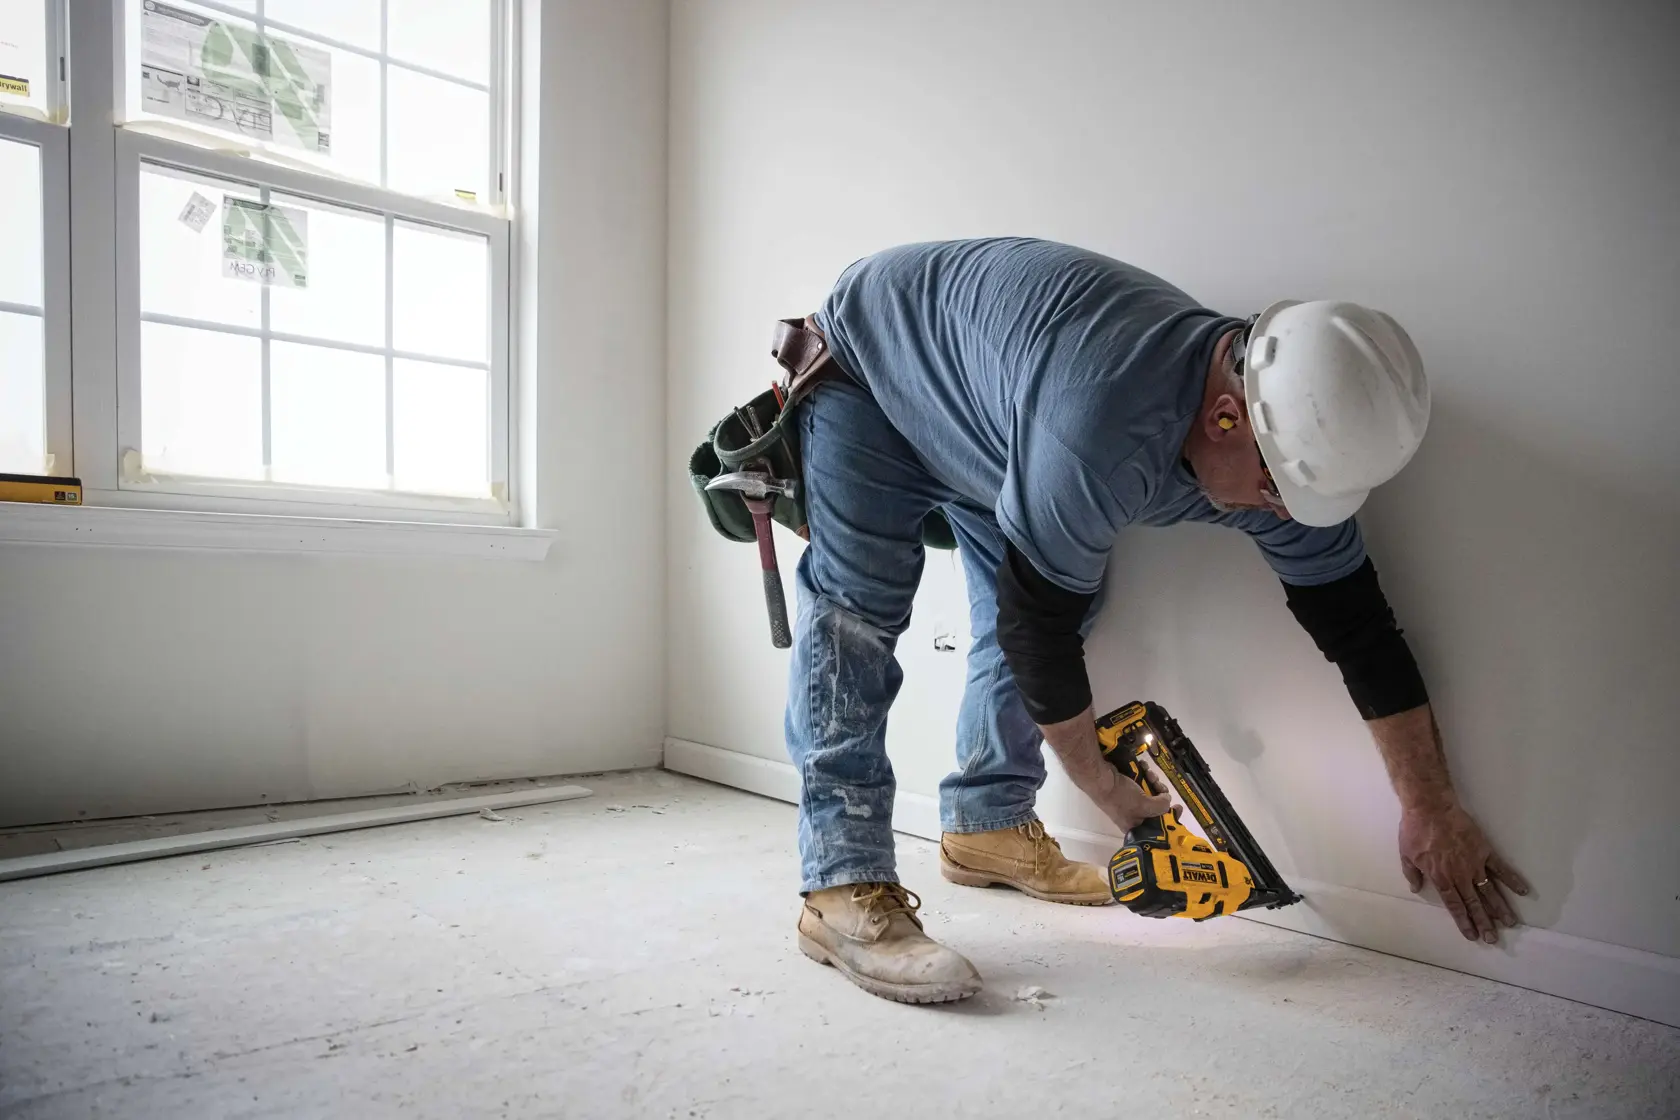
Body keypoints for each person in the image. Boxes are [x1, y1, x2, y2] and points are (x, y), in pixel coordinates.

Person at [782, 238, 1530, 1005]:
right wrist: (1107, 790)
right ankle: (841, 883)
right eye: (1277, 492)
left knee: (1071, 592)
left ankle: (986, 823)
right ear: (1226, 416)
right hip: (873, 370)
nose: (1283, 514)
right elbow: (1035, 630)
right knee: (858, 616)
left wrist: (1430, 805)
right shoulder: (1101, 429)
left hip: (989, 407)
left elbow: (1360, 632)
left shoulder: (1283, 444)